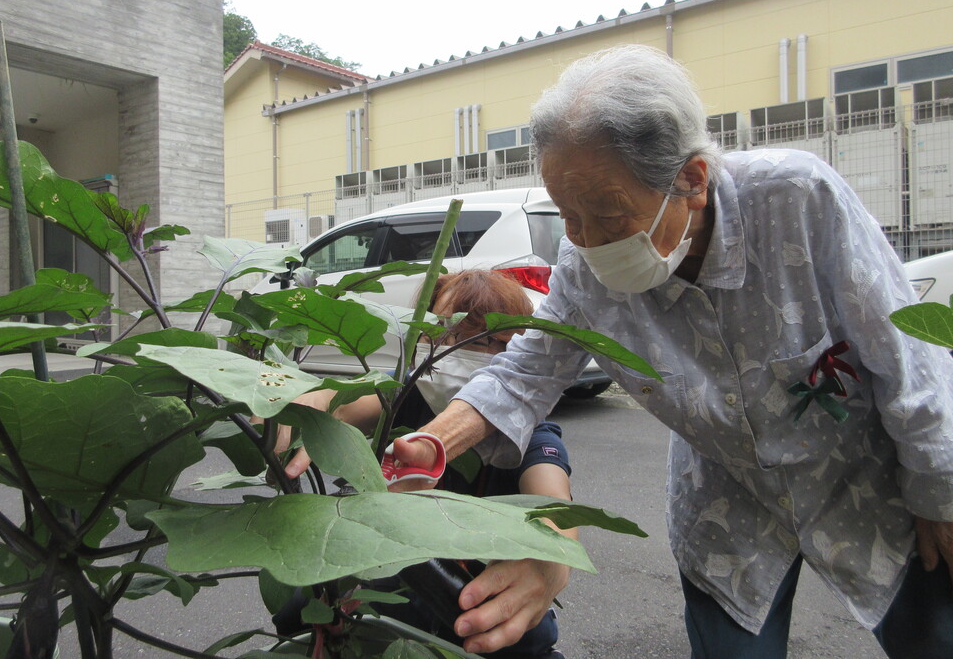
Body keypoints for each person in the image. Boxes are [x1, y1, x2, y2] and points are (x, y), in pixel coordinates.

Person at [394, 45, 953, 658]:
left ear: (691, 178)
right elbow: (525, 371)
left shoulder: (797, 199)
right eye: (567, 217)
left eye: (608, 215)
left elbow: (907, 353)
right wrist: (433, 442)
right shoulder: (582, 266)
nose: (585, 242)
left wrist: (939, 489)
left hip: (868, 483)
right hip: (727, 507)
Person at [279, 270, 573, 659]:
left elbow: (554, 503)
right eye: (444, 335)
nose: (465, 350)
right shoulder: (402, 391)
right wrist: (294, 402)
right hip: (389, 595)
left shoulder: (526, 426)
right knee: (293, 614)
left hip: (479, 607)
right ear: (422, 338)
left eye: (492, 341)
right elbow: (339, 401)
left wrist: (551, 556)